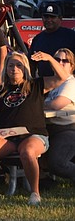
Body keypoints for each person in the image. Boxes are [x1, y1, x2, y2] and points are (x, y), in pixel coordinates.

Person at [0, 52, 49, 206]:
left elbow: (62, 77)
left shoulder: (36, 85)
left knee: (28, 151)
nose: (14, 69)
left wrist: (49, 58)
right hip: (7, 137)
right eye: (11, 65)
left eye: (19, 65)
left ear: (25, 68)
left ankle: (35, 193)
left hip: (33, 135)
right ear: (5, 68)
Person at [36, 47, 75, 183]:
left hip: (67, 129)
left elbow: (56, 105)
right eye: (57, 59)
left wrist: (35, 105)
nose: (60, 62)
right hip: (47, 128)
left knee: (57, 164)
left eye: (65, 61)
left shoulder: (71, 83)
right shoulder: (53, 82)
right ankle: (42, 181)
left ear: (72, 66)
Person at [28, 4, 75, 81]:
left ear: (60, 18)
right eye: (46, 17)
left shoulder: (71, 36)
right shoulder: (38, 39)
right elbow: (32, 65)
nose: (49, 20)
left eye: (53, 17)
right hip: (45, 84)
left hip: (67, 84)